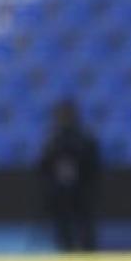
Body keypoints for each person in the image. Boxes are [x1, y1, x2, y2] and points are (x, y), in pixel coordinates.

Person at [38, 99, 101, 252]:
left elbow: (93, 163)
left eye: (67, 115)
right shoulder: (53, 139)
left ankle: (87, 254)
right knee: (62, 225)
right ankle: (66, 253)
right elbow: (43, 164)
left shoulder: (84, 137)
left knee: (84, 224)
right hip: (59, 191)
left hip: (81, 189)